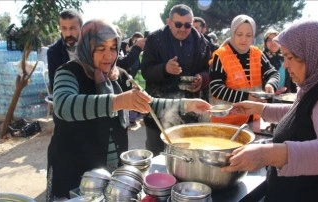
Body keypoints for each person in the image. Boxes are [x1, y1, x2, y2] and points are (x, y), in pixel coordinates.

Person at [46, 19, 211, 201]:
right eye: (100, 49)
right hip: (73, 170)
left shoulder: (119, 76)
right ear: (86, 47)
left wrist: (187, 105)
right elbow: (63, 105)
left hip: (111, 171)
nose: (109, 55)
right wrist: (118, 101)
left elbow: (147, 102)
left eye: (113, 48)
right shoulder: (68, 73)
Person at [224, 21, 318, 202]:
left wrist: (266, 155)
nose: (285, 65)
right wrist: (261, 109)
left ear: (311, 53)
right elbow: (303, 112)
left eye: (290, 57)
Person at [141, 4, 211, 156]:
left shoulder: (202, 42)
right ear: (168, 22)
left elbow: (209, 70)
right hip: (160, 111)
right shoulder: (154, 39)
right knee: (158, 156)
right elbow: (145, 71)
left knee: (188, 157)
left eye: (187, 25)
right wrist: (164, 69)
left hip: (191, 113)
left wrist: (202, 78)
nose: (183, 29)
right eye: (178, 24)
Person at [209, 14, 279, 126]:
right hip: (227, 122)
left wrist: (271, 84)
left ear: (253, 37)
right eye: (239, 34)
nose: (244, 39)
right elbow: (216, 88)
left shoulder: (257, 54)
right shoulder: (220, 56)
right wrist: (246, 97)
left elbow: (273, 73)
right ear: (232, 33)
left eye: (249, 35)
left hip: (253, 119)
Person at [47, 9, 82, 93]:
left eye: (72, 28)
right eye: (64, 28)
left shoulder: (91, 45)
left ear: (81, 27)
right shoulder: (54, 52)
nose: (68, 34)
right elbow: (54, 84)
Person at [263, 28, 296, 93]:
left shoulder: (285, 58)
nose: (273, 42)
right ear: (265, 42)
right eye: (269, 40)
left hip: (284, 97)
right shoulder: (261, 58)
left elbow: (292, 79)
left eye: (275, 39)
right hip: (266, 98)